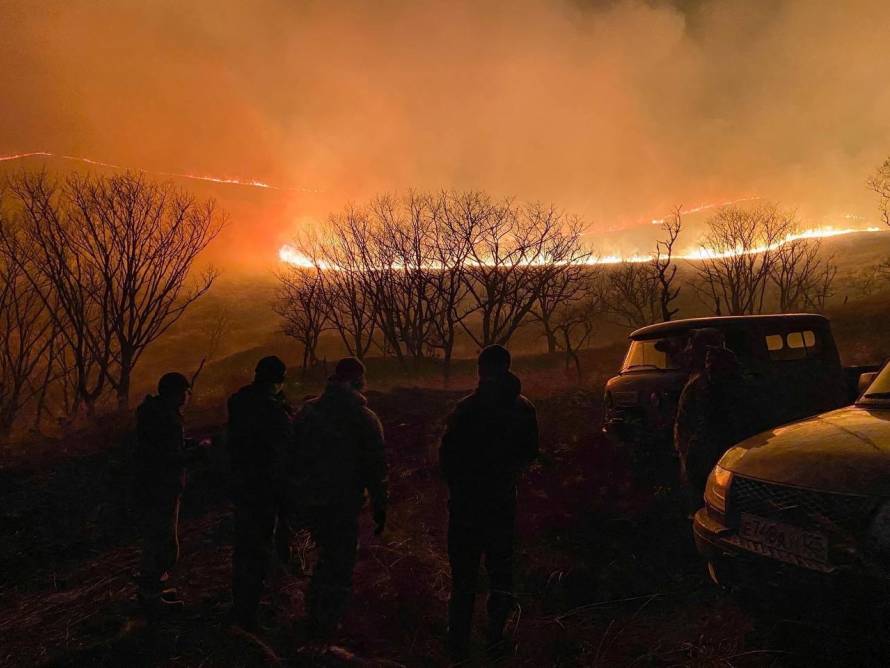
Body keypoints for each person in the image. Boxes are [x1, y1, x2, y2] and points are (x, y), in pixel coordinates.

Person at [439, 345, 539, 661]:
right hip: (502, 503)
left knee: (464, 580)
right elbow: (529, 453)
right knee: (501, 575)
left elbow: (446, 461)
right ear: (507, 367)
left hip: (467, 506)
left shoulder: (464, 410)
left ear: (480, 370)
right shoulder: (524, 408)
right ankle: (497, 642)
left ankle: (458, 649)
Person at [287, 357, 388, 642]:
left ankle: (317, 616)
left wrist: (295, 495)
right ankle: (327, 627)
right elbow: (377, 468)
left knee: (326, 555)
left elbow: (292, 455)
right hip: (343, 502)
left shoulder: (308, 411)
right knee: (340, 560)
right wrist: (380, 506)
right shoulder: (364, 417)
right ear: (358, 380)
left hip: (312, 499)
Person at [227, 355, 294, 631]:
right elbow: (286, 444)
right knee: (258, 549)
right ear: (278, 380)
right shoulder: (272, 410)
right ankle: (248, 613)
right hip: (265, 486)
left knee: (245, 546)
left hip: (242, 484)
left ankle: (242, 603)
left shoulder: (239, 401)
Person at [134, 371, 202, 617]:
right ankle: (150, 597)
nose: (187, 396)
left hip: (154, 485)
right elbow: (168, 457)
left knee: (158, 540)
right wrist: (197, 452)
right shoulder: (167, 419)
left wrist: (186, 445)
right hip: (163, 486)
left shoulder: (154, 413)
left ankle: (152, 591)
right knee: (164, 544)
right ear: (174, 394)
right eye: (185, 392)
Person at [675, 342, 750, 503]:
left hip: (732, 445)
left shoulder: (737, 386)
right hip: (707, 446)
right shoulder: (697, 387)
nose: (711, 368)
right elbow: (684, 422)